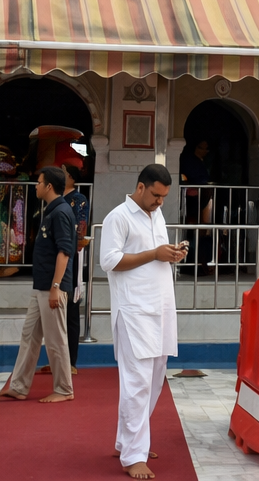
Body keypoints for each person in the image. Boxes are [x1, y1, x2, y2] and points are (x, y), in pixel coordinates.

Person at [99, 164, 188, 480]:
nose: (159, 202)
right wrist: (154, 254)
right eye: (155, 195)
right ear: (140, 187)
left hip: (160, 309)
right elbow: (109, 261)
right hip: (134, 312)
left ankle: (127, 441)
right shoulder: (118, 217)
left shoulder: (156, 215)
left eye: (164, 197)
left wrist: (171, 254)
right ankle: (133, 455)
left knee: (154, 379)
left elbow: (156, 254)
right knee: (137, 383)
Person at [0, 166, 75, 404]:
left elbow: (64, 252)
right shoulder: (52, 211)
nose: (36, 186)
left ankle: (64, 389)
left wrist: (56, 286)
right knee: (29, 335)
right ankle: (19, 386)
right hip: (41, 286)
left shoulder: (60, 212)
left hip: (52, 287)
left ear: (49, 186)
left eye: (39, 182)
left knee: (55, 339)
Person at [60, 162, 91, 375]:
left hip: (71, 254)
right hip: (56, 255)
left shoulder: (78, 199)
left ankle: (71, 360)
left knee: (71, 308)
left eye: (63, 173)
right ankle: (57, 359)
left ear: (71, 177)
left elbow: (81, 226)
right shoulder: (55, 197)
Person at [179, 138, 212, 225]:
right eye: (203, 148)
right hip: (193, 195)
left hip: (201, 194)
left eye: (207, 149)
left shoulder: (202, 161)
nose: (206, 151)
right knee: (193, 218)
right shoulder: (191, 162)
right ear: (197, 148)